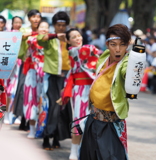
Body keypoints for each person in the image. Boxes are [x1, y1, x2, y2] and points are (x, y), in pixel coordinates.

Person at [79, 24, 133, 160]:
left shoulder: (128, 61)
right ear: (107, 44)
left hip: (111, 123)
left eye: (122, 44)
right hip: (93, 118)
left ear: (128, 45)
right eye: (113, 44)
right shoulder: (104, 56)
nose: (118, 49)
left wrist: (134, 72)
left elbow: (128, 73)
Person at [60, 28, 99, 160]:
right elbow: (89, 50)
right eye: (74, 37)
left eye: (79, 36)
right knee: (79, 119)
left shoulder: (88, 50)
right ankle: (74, 150)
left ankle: (85, 150)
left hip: (94, 88)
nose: (77, 38)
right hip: (80, 89)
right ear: (68, 41)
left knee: (92, 120)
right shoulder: (73, 51)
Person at [37, 11, 72, 150]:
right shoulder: (50, 39)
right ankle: (46, 137)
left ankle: (57, 138)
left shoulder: (69, 39)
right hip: (51, 77)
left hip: (66, 78)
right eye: (58, 25)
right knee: (52, 107)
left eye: (63, 25)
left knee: (63, 109)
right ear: (54, 25)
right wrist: (55, 36)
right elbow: (39, 39)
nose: (61, 28)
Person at [13, 9, 41, 130]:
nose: (36, 19)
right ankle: (23, 118)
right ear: (29, 19)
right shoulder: (25, 30)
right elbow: (19, 37)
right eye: (33, 17)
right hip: (26, 64)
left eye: (38, 17)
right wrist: (30, 35)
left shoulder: (43, 30)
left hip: (39, 66)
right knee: (23, 90)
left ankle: (35, 120)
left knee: (37, 93)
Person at [23, 21, 48, 138]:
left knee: (44, 102)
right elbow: (29, 40)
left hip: (46, 74)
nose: (44, 29)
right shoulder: (33, 39)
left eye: (46, 28)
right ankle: (32, 129)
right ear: (37, 29)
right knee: (32, 100)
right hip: (33, 73)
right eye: (41, 27)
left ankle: (42, 128)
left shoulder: (51, 42)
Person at [4, 16, 23, 124]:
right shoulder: (8, 35)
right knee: (8, 91)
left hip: (19, 66)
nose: (18, 24)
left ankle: (13, 114)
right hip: (9, 66)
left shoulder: (24, 35)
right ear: (12, 23)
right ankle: (6, 114)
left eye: (20, 22)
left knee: (16, 91)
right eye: (16, 22)